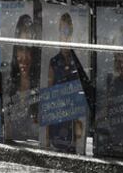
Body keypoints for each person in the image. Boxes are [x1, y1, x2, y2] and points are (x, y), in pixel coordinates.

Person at [47, 13, 83, 153]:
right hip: (58, 117)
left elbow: (80, 95)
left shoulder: (76, 61)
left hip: (72, 120)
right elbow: (48, 98)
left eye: (68, 31)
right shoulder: (54, 62)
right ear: (59, 34)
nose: (65, 35)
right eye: (62, 31)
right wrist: (47, 135)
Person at [6, 14, 39, 141]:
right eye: (20, 49)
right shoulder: (8, 81)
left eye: (28, 50)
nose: (24, 56)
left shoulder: (41, 83)